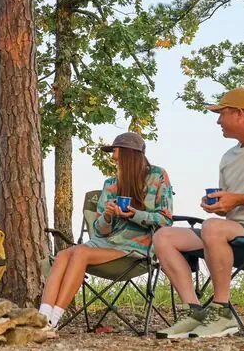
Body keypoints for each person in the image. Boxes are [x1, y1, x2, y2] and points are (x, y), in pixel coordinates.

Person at [152, 87, 244, 339]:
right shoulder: (228, 156)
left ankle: (222, 313)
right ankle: (195, 313)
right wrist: (220, 204)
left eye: (222, 113)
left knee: (212, 227)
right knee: (164, 236)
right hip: (234, 233)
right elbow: (230, 206)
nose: (218, 120)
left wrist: (238, 199)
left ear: (239, 114)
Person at [38, 132, 173, 333]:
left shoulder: (157, 176)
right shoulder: (110, 184)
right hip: (107, 243)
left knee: (80, 253)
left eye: (115, 151)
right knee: (63, 255)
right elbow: (100, 232)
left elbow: (165, 219)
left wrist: (133, 214)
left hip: (137, 248)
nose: (112, 156)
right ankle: (41, 319)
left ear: (128, 153)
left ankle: (53, 322)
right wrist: (108, 216)